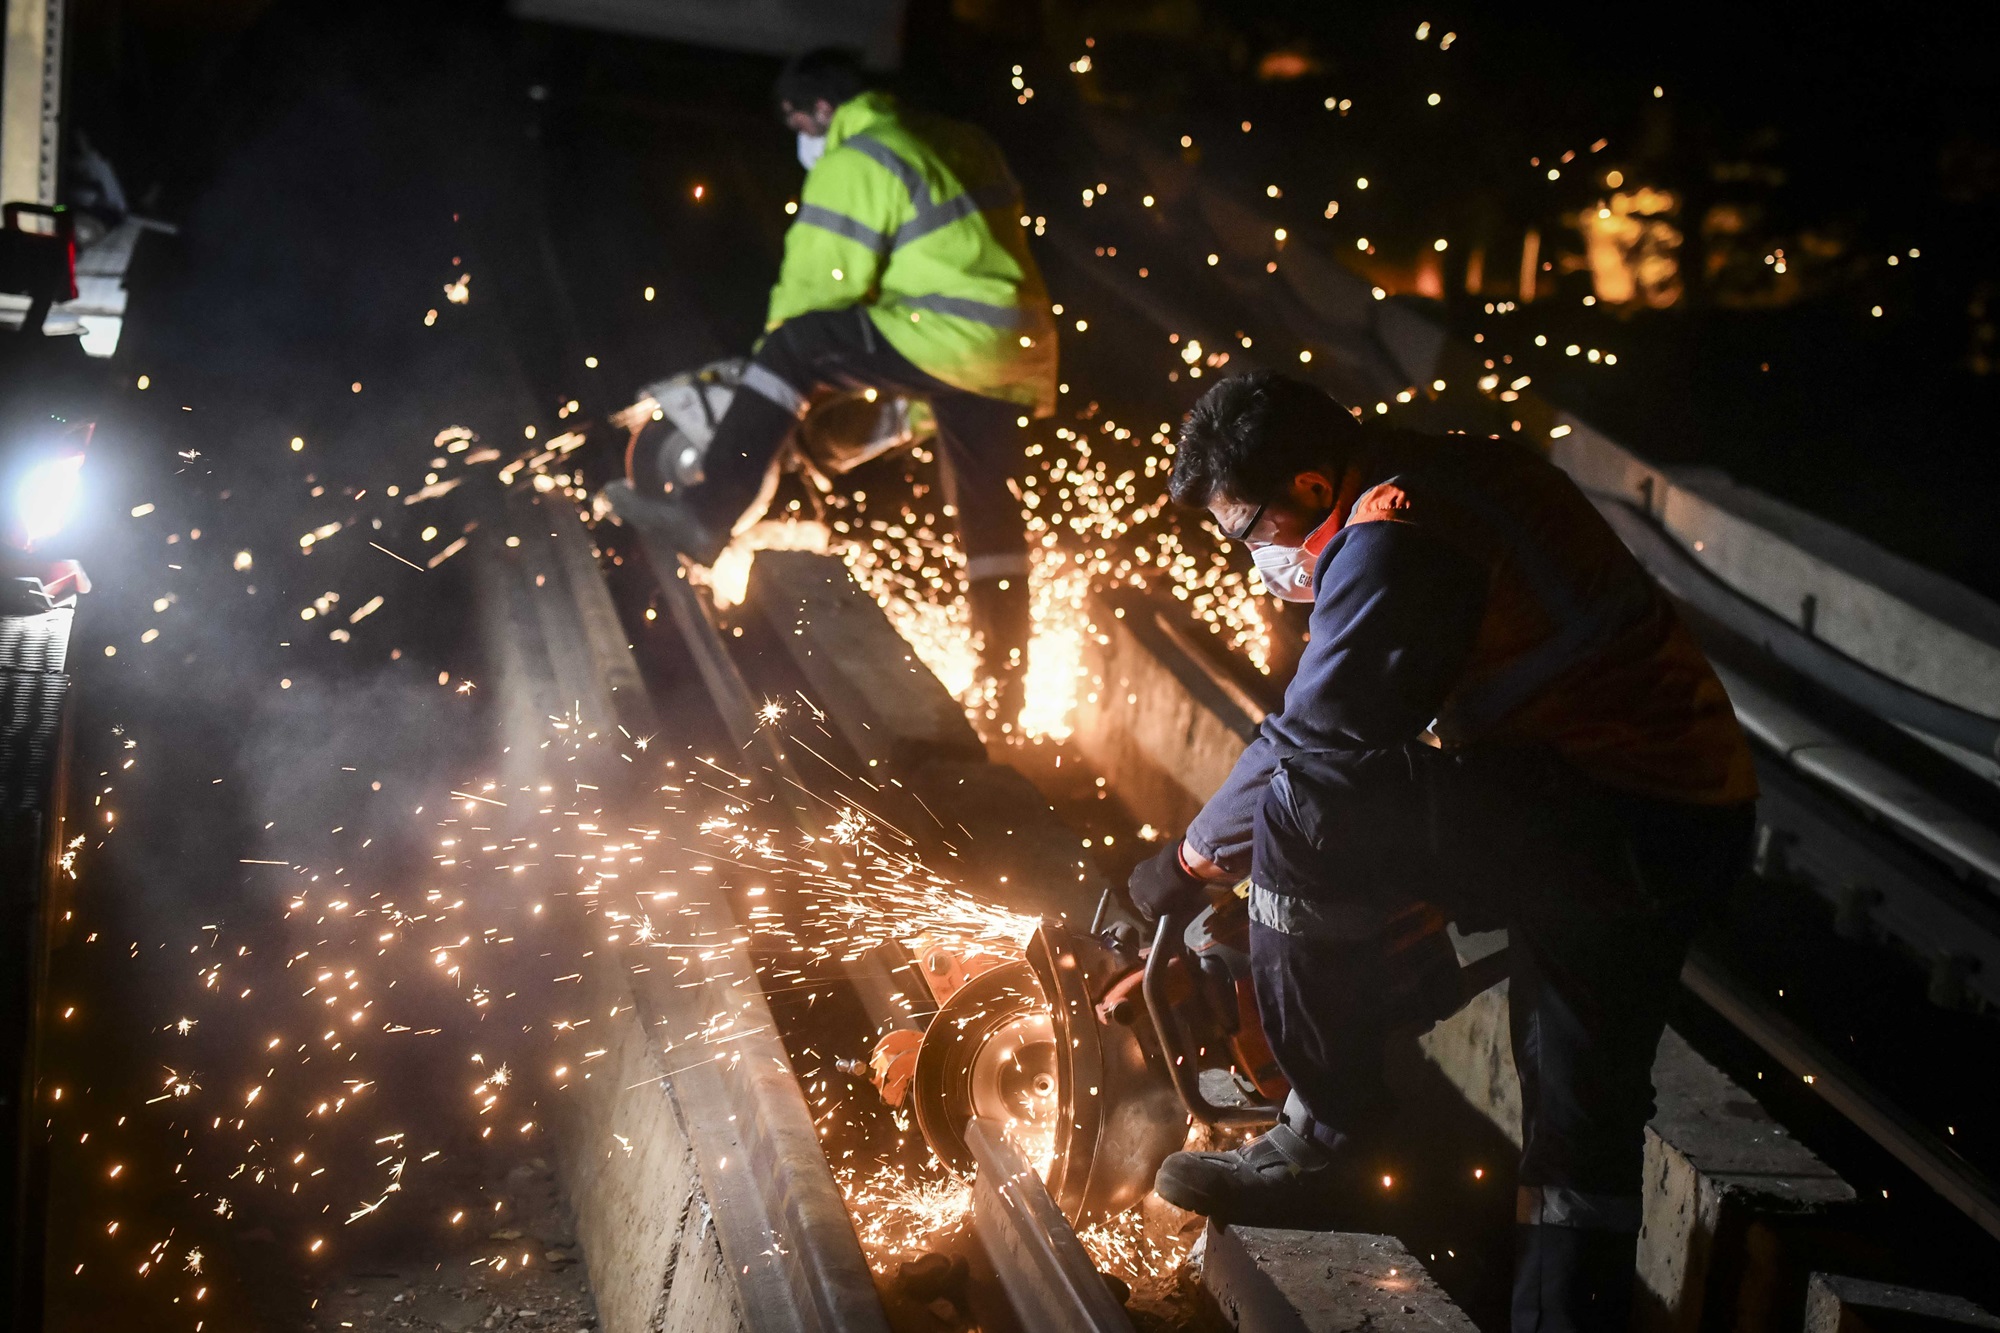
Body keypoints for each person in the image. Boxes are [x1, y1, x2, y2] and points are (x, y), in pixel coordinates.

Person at [1125, 373, 1757, 1333]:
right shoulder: (1436, 474)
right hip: (1667, 817)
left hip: (1609, 815)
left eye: (1249, 529)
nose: (1254, 557)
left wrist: (1184, 864)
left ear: (1306, 482)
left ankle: (1330, 1134)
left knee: (1303, 811)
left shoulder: (1397, 532)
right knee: (1579, 1121)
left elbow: (1315, 747)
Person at [628, 48, 1058, 712]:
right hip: (1014, 342)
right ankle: (1005, 684)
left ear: (823, 109)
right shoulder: (959, 138)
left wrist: (770, 383)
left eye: (800, 123)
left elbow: (816, 289)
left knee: (797, 347)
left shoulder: (858, 157)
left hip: (949, 335)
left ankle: (709, 510)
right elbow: (953, 255)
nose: (802, 139)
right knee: (990, 515)